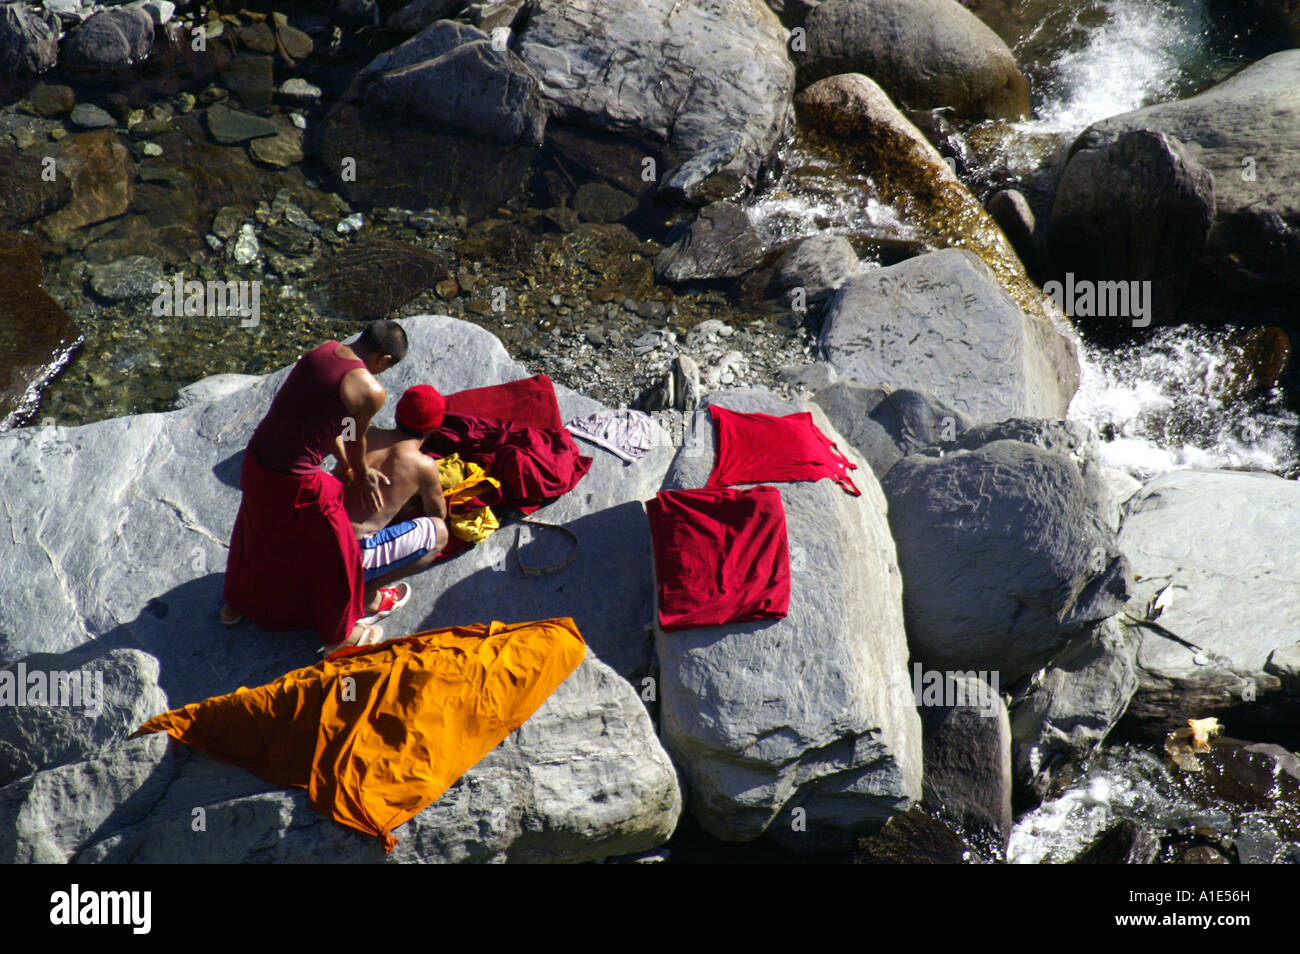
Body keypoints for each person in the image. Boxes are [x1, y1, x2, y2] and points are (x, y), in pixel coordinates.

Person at [220, 320, 408, 648]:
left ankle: (234, 605)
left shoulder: (322, 351)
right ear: (386, 360)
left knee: (257, 532)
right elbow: (352, 436)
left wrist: (349, 467)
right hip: (295, 481)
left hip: (257, 461)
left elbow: (328, 422)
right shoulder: (369, 390)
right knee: (339, 549)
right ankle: (342, 634)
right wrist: (360, 473)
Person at [336, 385, 452, 618]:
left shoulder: (365, 433)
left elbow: (343, 425)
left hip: (319, 530)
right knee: (439, 533)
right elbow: (437, 514)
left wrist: (349, 466)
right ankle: (367, 596)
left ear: (397, 414)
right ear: (434, 429)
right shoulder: (424, 466)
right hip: (351, 555)